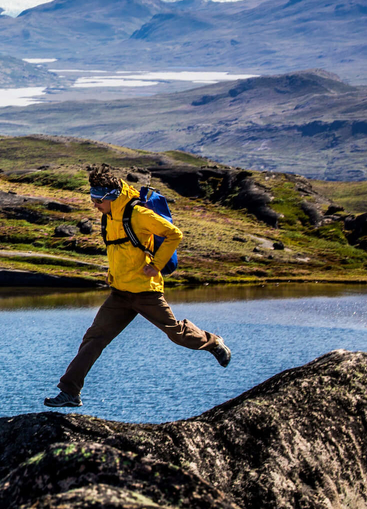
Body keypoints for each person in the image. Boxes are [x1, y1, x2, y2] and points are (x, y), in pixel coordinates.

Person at [44, 166, 231, 408]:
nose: (94, 206)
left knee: (175, 332)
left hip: (145, 292)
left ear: (108, 198)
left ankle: (213, 342)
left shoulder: (138, 213)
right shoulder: (108, 216)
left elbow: (174, 234)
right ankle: (70, 392)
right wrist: (113, 274)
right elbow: (119, 250)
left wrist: (156, 265)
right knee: (93, 339)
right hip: (120, 294)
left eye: (96, 201)